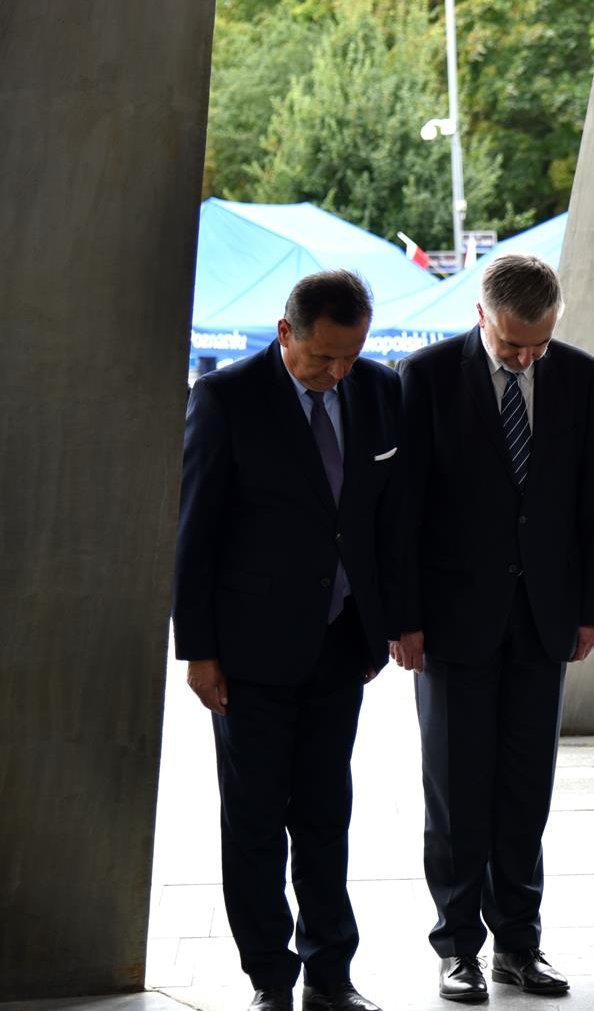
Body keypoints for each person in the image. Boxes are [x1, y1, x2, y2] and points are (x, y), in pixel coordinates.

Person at [173, 270, 401, 1011]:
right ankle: (271, 975)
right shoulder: (225, 398)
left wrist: (381, 628)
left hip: (341, 643)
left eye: (350, 355)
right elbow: (195, 535)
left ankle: (331, 972)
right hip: (248, 652)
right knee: (255, 818)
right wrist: (199, 650)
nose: (337, 372)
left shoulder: (378, 390)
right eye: (322, 357)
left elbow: (382, 520)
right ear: (285, 332)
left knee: (326, 813)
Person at [387, 253, 594, 1002]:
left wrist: (589, 608)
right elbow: (403, 511)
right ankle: (457, 947)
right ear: (481, 314)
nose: (525, 357)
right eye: (512, 344)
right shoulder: (423, 377)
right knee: (457, 789)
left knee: (525, 789)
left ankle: (521, 942)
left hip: (544, 620)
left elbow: (590, 499)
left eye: (537, 343)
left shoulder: (578, 374)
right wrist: (404, 619)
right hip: (451, 623)